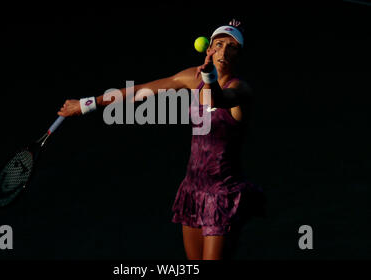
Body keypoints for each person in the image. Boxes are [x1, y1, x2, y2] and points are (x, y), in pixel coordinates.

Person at [57, 19, 265, 260]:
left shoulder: (241, 89)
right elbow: (140, 91)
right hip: (193, 188)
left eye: (232, 47)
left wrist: (208, 77)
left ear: (239, 55)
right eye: (219, 44)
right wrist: (86, 105)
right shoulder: (191, 77)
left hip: (222, 194)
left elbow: (215, 99)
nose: (224, 51)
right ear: (209, 50)